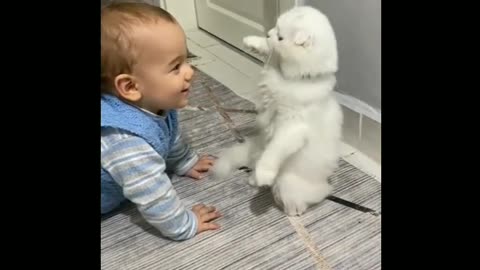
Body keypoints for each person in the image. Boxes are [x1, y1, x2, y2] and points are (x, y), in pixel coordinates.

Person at [101, 2, 221, 241]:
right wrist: (184, 224)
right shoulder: (126, 142)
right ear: (131, 87)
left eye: (187, 60)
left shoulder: (155, 104)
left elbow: (168, 134)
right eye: (176, 67)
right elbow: (152, 194)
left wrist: (184, 161)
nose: (190, 71)